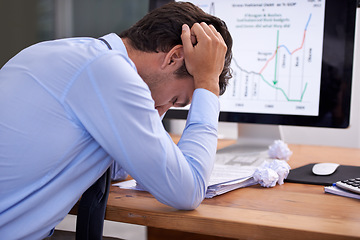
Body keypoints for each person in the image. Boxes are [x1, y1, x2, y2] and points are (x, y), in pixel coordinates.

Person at [0, 2, 232, 239]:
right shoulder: (110, 73)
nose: (163, 110)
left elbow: (118, 167)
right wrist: (207, 84)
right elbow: (187, 191)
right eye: (175, 99)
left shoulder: (62, 51)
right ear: (174, 57)